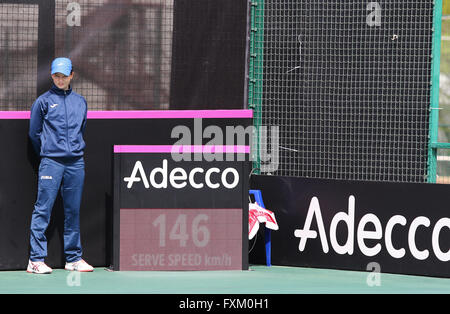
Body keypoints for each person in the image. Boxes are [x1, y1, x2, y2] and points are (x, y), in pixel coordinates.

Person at [27, 57, 93, 274]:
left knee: (72, 210)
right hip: (51, 162)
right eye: (57, 75)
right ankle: (35, 260)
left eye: (64, 75)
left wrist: (70, 150)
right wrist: (48, 153)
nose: (60, 79)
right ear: (52, 76)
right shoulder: (43, 102)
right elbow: (34, 134)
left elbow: (81, 130)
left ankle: (73, 259)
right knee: (43, 209)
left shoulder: (81, 102)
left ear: (72, 75)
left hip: (76, 162)